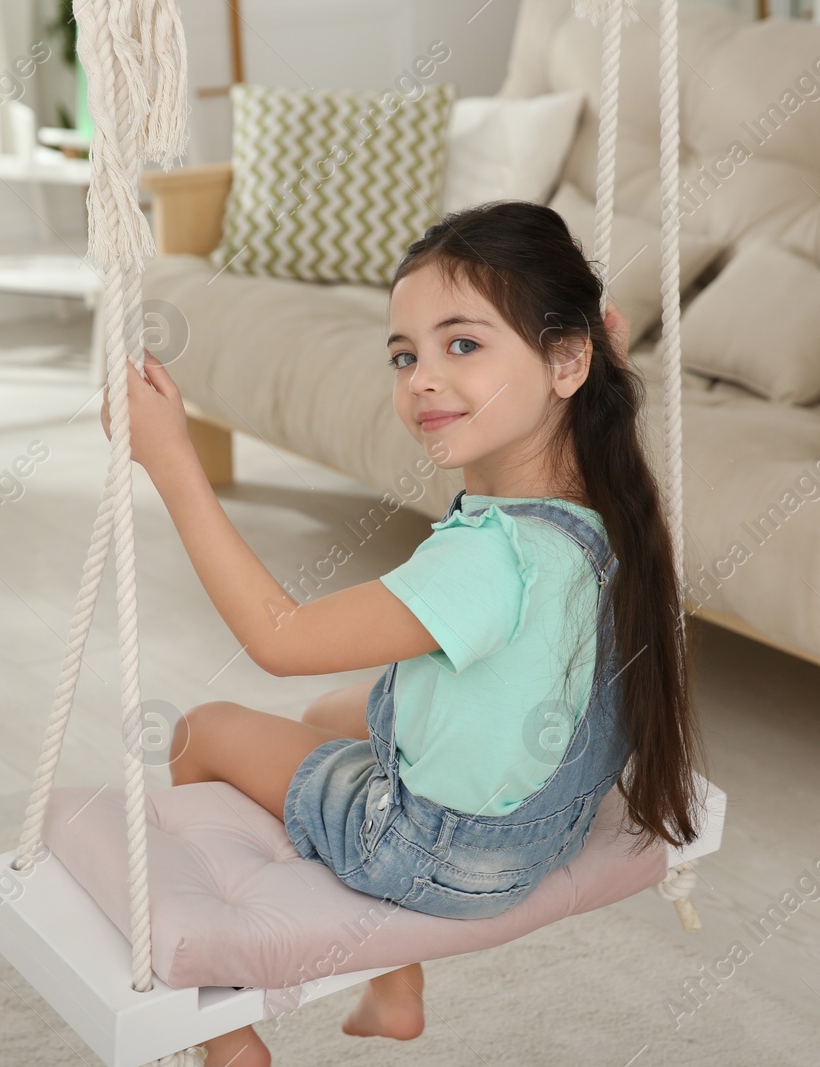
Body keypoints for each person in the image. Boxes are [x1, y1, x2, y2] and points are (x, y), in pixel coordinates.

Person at [99, 199, 702, 1067]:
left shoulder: (490, 558)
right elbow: (571, 369)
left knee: (204, 731)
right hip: (548, 821)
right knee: (336, 710)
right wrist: (601, 347)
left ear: (569, 360)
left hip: (440, 856)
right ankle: (396, 990)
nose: (422, 377)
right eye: (404, 354)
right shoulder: (605, 498)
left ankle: (225, 1037)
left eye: (462, 344)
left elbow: (278, 634)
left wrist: (171, 458)